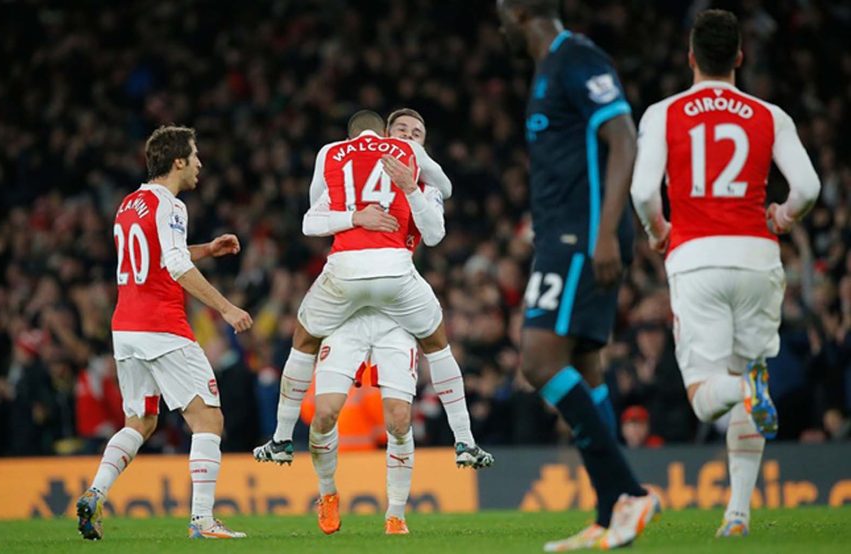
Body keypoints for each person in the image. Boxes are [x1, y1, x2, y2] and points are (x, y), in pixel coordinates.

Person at [630, 9, 820, 538]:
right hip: (758, 258)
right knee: (747, 371)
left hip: (696, 257)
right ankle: (737, 514)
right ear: (740, 57)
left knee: (709, 394)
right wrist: (782, 216)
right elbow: (807, 188)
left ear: (691, 57)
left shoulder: (664, 113)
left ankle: (744, 390)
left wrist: (656, 230)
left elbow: (644, 192)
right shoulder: (769, 115)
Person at [497, 0, 660, 550]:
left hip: (579, 240)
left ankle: (630, 492)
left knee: (540, 361)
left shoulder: (576, 58)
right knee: (586, 369)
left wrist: (605, 232)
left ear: (520, 11)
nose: (497, 18)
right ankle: (610, 510)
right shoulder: (547, 68)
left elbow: (624, 138)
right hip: (566, 238)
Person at [253, 110, 493, 469]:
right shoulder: (395, 156)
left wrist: (410, 187)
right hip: (376, 289)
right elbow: (318, 211)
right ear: (385, 134)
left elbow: (435, 229)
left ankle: (285, 440)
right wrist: (356, 215)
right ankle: (290, 444)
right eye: (402, 130)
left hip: (380, 295)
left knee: (398, 415)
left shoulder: (419, 182)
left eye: (417, 132)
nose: (409, 137)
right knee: (331, 405)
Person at [75, 126, 254, 541]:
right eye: (195, 156)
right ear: (178, 161)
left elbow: (156, 254)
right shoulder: (171, 204)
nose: (199, 164)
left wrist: (206, 249)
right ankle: (202, 521)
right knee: (209, 417)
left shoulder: (128, 204)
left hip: (125, 329)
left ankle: (96, 492)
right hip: (162, 326)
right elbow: (173, 266)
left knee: (140, 421)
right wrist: (226, 308)